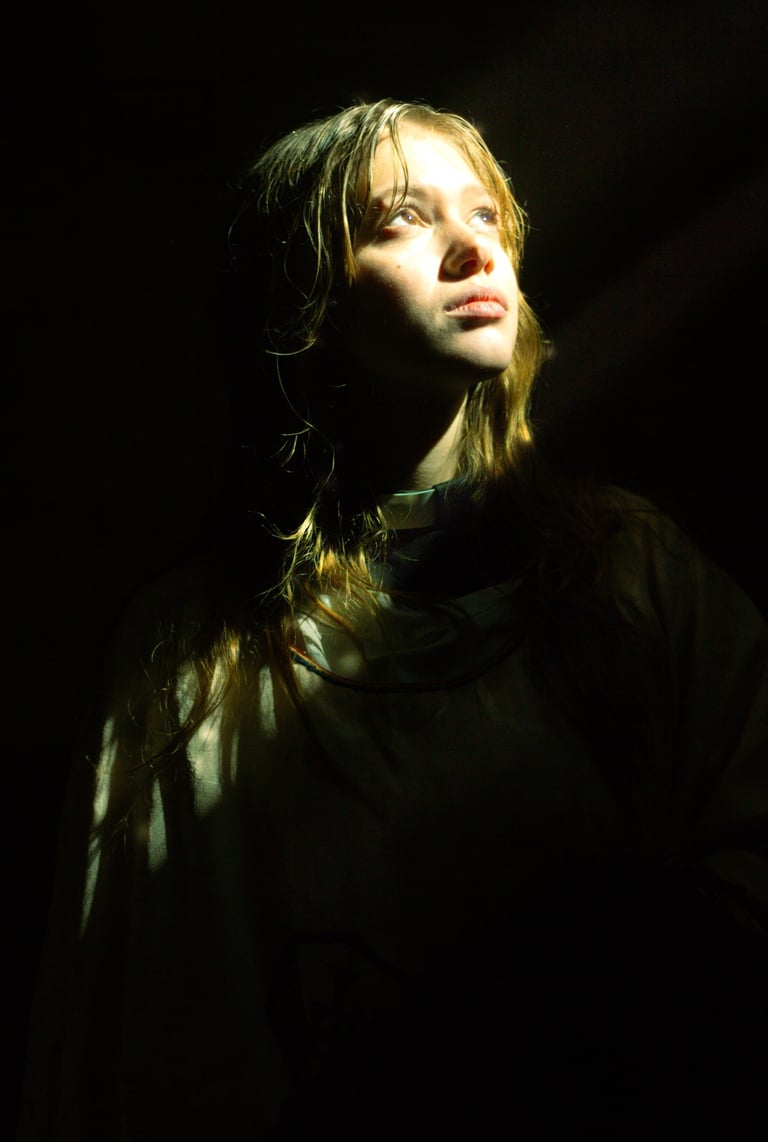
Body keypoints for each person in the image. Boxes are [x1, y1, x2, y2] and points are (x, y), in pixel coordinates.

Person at [17, 98, 767, 1141]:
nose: (473, 248)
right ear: (310, 294)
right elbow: (152, 1030)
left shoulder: (636, 577)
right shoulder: (198, 652)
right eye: (402, 219)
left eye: (486, 215)